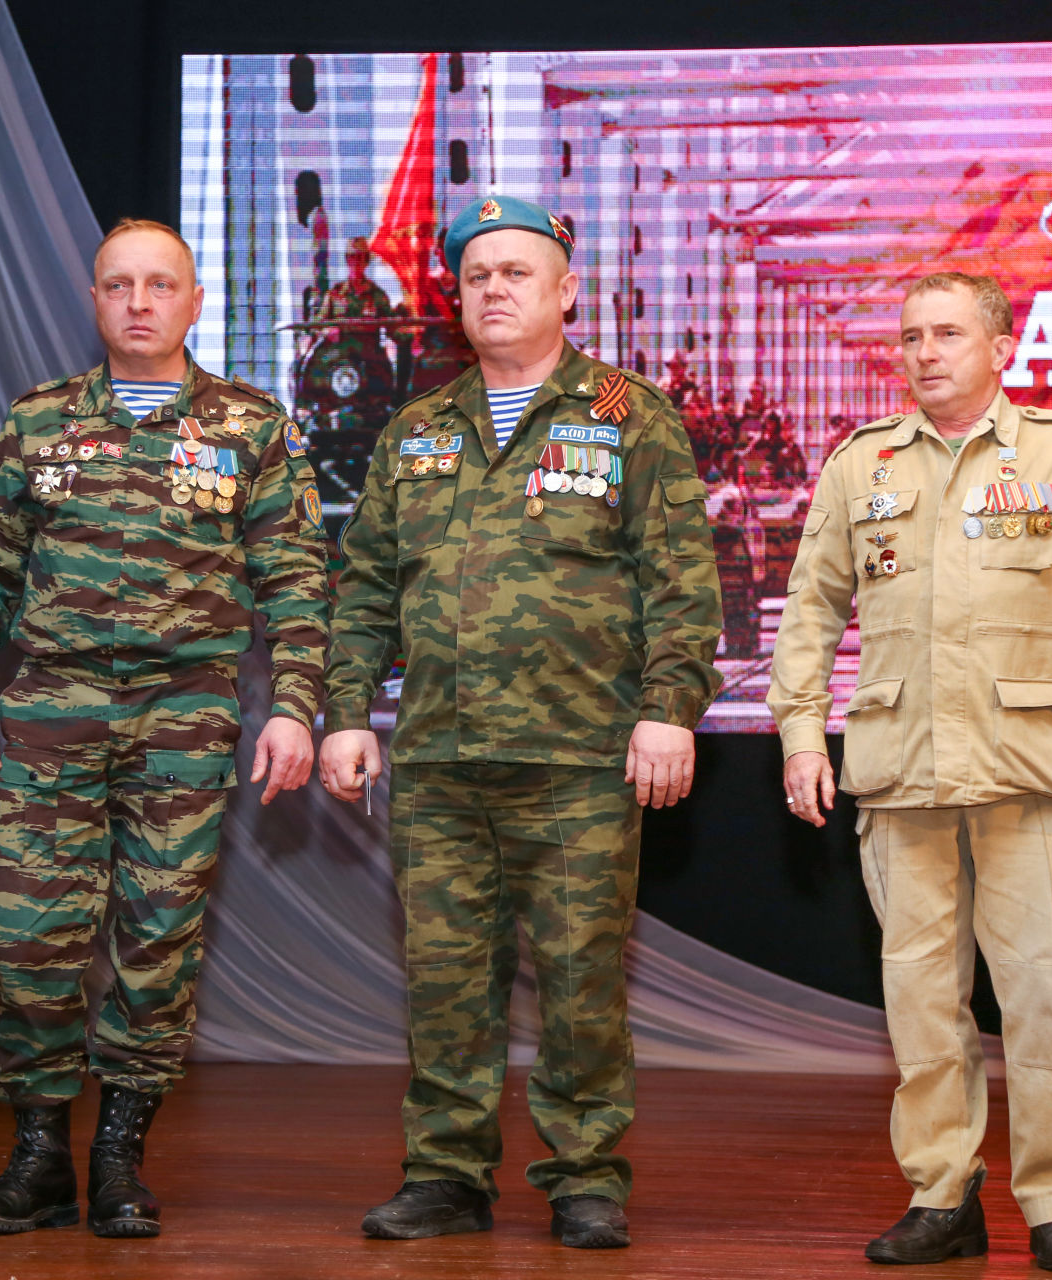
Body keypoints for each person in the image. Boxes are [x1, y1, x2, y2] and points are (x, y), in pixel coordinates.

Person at [319, 195, 722, 1250]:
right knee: (446, 981)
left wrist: (668, 710)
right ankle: (446, 1171)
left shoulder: (633, 417)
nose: (496, 288)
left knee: (584, 977)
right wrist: (349, 711)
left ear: (566, 289)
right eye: (480, 274)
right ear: (458, 295)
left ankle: (586, 1171)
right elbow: (363, 584)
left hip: (581, 755)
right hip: (443, 756)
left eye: (518, 271)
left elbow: (682, 581)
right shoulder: (417, 429)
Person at [767, 271, 1052, 1275]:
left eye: (947, 332)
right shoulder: (861, 467)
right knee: (919, 1003)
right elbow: (810, 607)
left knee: (1042, 997)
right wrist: (798, 734)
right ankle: (941, 1192)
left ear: (1000, 345)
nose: (925, 352)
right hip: (901, 776)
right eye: (911, 336)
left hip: (1028, 776)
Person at [0, 218, 329, 1239]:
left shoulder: (249, 426)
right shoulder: (40, 422)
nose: (140, 301)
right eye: (120, 285)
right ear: (97, 301)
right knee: (26, 942)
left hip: (184, 718)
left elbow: (295, 579)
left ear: (196, 303)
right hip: (47, 711)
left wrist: (293, 704)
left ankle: (118, 1156)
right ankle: (37, 1155)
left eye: (162, 284)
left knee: (157, 942)